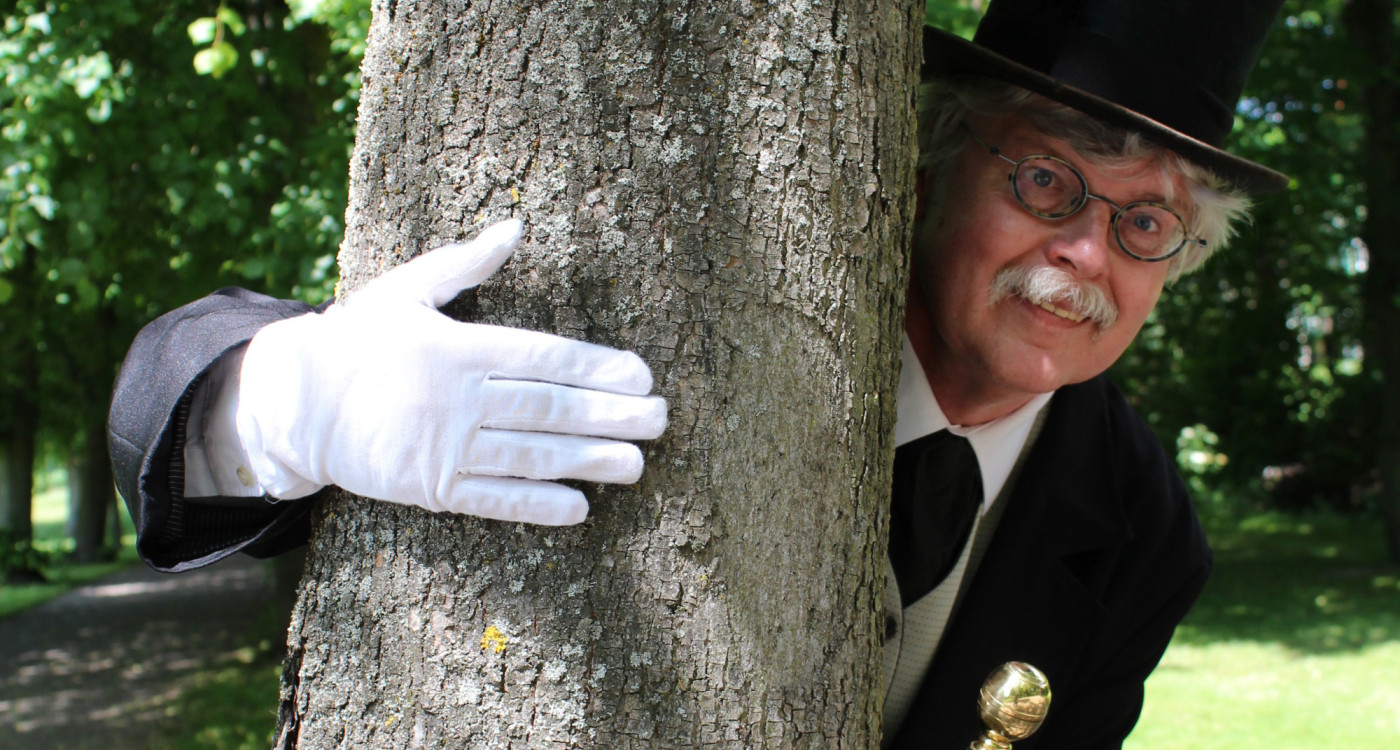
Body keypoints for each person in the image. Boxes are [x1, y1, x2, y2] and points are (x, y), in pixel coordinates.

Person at [107, 0, 1288, 746]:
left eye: (1146, 226)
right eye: (1046, 180)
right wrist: (293, 401)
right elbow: (159, 393)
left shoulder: (1142, 532)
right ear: (927, 170)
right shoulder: (721, 307)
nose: (1084, 254)